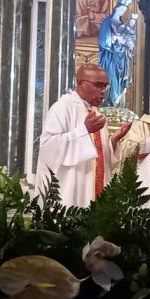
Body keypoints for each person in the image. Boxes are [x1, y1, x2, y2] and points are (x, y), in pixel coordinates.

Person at [37, 64, 132, 206]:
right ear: (81, 84)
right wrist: (84, 130)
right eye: (98, 85)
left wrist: (112, 141)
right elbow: (48, 147)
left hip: (93, 191)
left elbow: (100, 161)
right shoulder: (62, 108)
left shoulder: (96, 113)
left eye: (105, 86)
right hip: (71, 192)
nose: (103, 91)